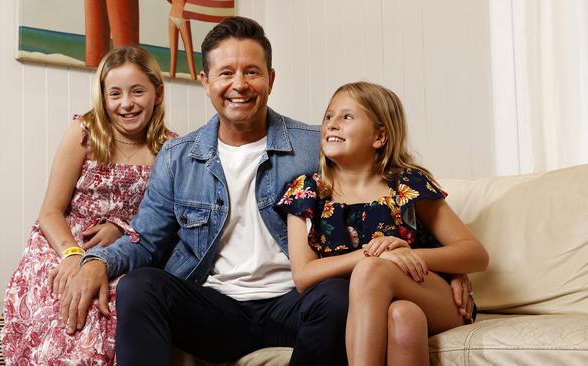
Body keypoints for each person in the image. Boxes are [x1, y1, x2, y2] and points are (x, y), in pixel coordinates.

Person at [59, 17, 476, 366]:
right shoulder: (178, 156)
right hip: (216, 307)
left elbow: (390, 200)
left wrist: (450, 271)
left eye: (251, 72)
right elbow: (147, 242)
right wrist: (97, 261)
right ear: (205, 82)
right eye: (225, 73)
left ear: (270, 79)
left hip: (295, 303)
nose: (238, 84)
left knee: (336, 292)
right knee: (141, 286)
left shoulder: (317, 146)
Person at [276, 81, 489, 365]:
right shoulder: (306, 192)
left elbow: (475, 254)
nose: (332, 124)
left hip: (428, 294)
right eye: (329, 116)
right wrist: (375, 254)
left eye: (347, 117)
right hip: (369, 306)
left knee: (372, 271)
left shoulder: (407, 184)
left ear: (379, 136)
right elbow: (303, 276)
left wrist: (406, 257)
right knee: (404, 317)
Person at [1, 46, 176, 365]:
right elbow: (50, 211)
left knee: (115, 299)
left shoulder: (169, 149)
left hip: (126, 249)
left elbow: (164, 221)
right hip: (63, 243)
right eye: (115, 94)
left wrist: (119, 229)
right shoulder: (84, 133)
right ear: (103, 97)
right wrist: (72, 254)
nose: (126, 104)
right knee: (69, 293)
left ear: (158, 94)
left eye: (138, 91)